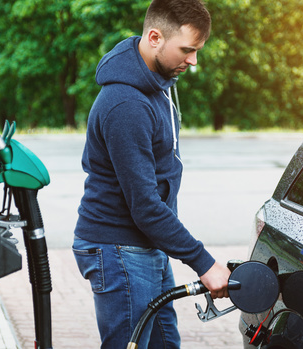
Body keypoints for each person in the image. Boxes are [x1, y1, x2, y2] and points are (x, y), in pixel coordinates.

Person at [72, 1, 230, 347]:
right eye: (187, 50)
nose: (193, 61)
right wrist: (204, 263)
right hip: (119, 248)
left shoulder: (157, 83)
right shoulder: (126, 105)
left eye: (197, 51)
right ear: (155, 37)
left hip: (144, 244)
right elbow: (144, 205)